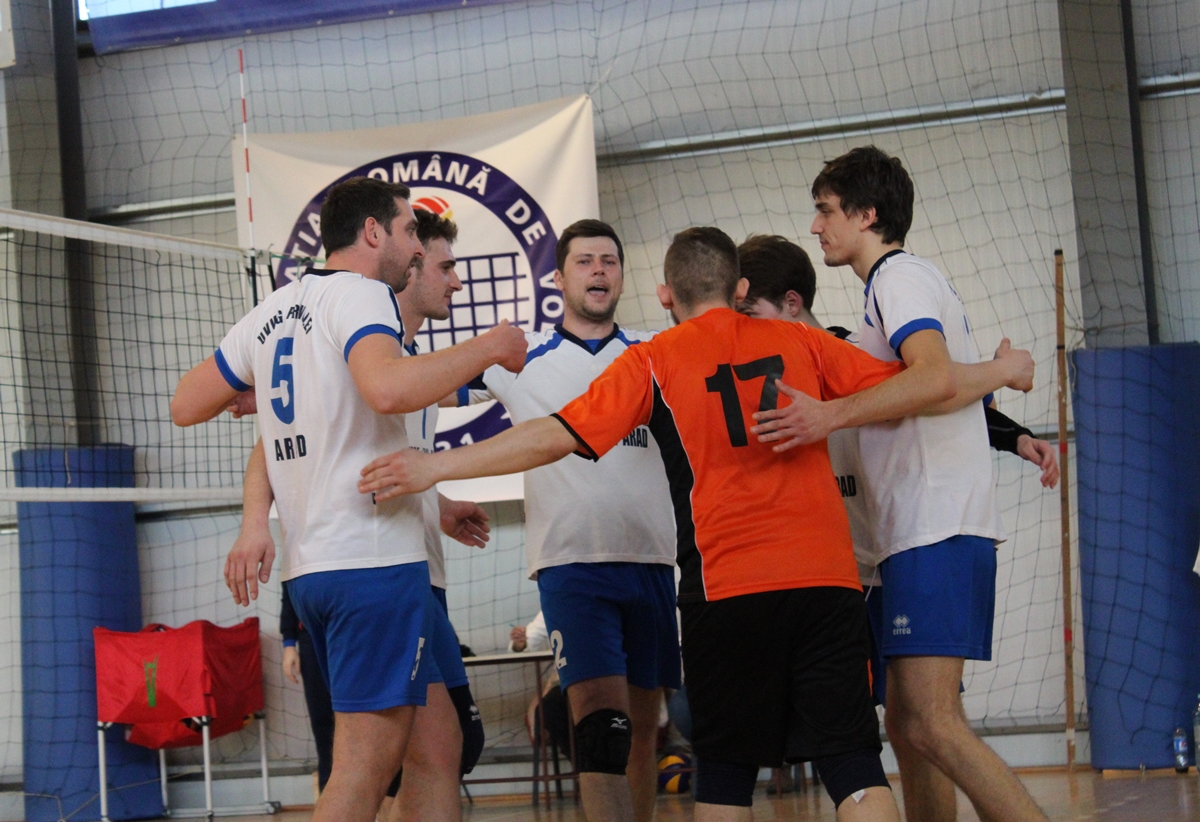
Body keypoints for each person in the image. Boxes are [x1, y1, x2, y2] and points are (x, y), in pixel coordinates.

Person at [356, 226, 1034, 821]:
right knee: (854, 766)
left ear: (664, 296)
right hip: (826, 585)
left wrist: (433, 466)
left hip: (725, 589)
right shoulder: (803, 340)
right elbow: (925, 384)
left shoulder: (653, 358)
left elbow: (551, 437)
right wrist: (1001, 370)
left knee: (727, 774)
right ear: (739, 289)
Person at [170, 176, 526, 822]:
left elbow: (185, 403)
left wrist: (263, 392)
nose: (416, 249)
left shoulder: (275, 311)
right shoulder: (363, 297)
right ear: (372, 232)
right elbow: (388, 390)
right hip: (371, 566)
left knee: (439, 745)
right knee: (364, 771)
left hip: (321, 570)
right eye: (410, 231)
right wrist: (491, 346)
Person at [800, 145, 1052, 822]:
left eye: (826, 210)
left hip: (936, 523)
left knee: (933, 722)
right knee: (911, 724)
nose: (817, 226)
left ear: (866, 214)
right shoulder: (892, 287)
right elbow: (947, 385)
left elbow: (934, 377)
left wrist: (830, 414)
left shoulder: (897, 277)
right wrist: (1001, 375)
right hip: (919, 528)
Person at [736, 233, 1058, 707]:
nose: (744, 330)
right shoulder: (759, 382)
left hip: (893, 558)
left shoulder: (852, 354)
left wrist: (1016, 436)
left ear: (791, 302)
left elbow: (935, 394)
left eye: (748, 315)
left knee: (924, 714)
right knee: (875, 718)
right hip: (839, 574)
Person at [459, 219, 678, 822]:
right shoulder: (520, 356)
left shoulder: (657, 352)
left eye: (609, 260)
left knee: (642, 732)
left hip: (654, 563)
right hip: (573, 567)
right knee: (601, 731)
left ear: (622, 275)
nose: (598, 270)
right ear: (558, 278)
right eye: (584, 261)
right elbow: (420, 391)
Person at [280, 584, 334, 794]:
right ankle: (328, 792)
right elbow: (289, 596)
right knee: (322, 720)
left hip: (352, 633)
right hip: (312, 638)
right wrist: (289, 645)